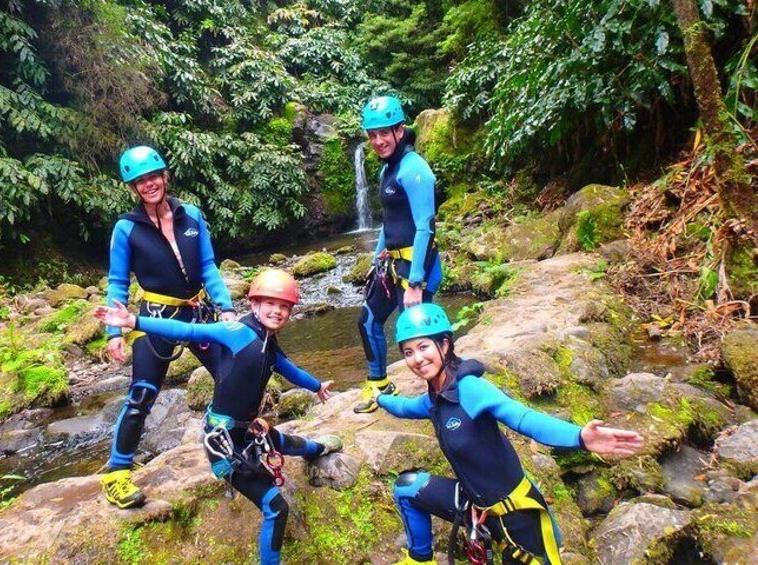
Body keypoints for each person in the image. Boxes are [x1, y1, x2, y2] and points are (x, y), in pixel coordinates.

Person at [96, 269, 342, 565]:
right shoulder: (234, 332)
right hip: (224, 443)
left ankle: (319, 449)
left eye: (284, 307)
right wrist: (133, 321)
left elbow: (289, 370)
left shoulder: (269, 344)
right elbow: (187, 332)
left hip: (248, 432)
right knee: (276, 507)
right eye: (270, 304)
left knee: (285, 441)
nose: (277, 311)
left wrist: (317, 387)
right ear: (254, 305)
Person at [376, 304, 644, 565]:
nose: (417, 359)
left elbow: (523, 417)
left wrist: (580, 438)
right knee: (407, 488)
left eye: (423, 347)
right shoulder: (435, 399)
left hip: (516, 513)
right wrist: (380, 398)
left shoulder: (471, 389)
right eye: (408, 352)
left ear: (444, 344)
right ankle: (419, 559)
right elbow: (404, 406)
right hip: (474, 505)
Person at [101, 145, 237, 509]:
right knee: (142, 394)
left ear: (165, 176)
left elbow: (208, 266)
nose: (148, 184)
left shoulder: (190, 215)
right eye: (140, 180)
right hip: (155, 318)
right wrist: (114, 333)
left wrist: (226, 308)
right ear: (132, 187)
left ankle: (219, 442)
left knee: (233, 376)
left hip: (198, 312)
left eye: (153, 177)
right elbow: (117, 282)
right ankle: (116, 475)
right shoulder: (126, 228)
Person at [355, 95, 442, 413]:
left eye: (384, 133)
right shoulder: (387, 171)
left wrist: (416, 281)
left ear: (400, 130)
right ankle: (378, 384)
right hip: (393, 265)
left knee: (420, 335)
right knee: (368, 321)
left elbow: (426, 227)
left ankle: (443, 391)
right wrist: (377, 256)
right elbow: (389, 222)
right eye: (372, 135)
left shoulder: (415, 169)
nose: (378, 141)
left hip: (417, 267)